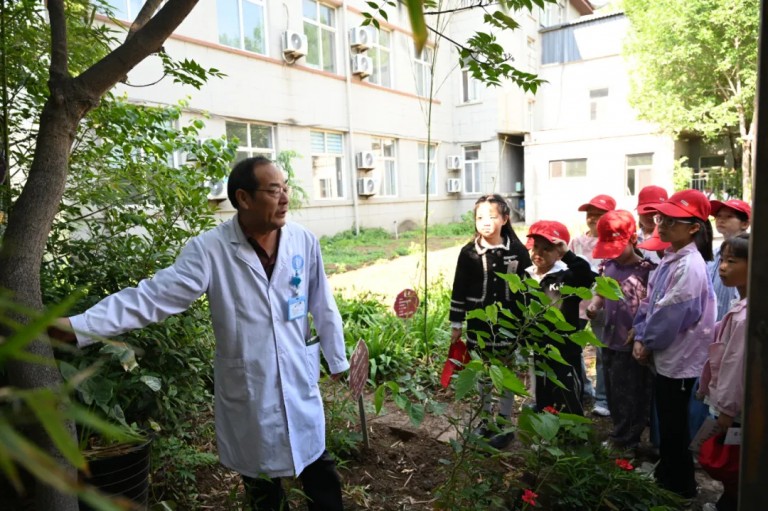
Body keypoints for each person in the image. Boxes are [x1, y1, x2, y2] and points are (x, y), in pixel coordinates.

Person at [50, 156, 349, 511]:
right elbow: (152, 297)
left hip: (298, 377)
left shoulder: (303, 241)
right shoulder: (210, 250)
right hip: (251, 388)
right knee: (263, 488)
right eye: (274, 190)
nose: (285, 198)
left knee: (320, 472)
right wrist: (79, 327)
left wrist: (337, 359)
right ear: (243, 198)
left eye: (285, 188)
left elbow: (322, 302)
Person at [631, 189, 716, 499]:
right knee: (668, 421)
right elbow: (652, 302)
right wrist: (641, 334)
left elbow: (671, 314)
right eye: (661, 218)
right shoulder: (673, 257)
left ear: (693, 228)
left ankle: (680, 487)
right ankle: (668, 476)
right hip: (669, 355)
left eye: (672, 221)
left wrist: (647, 341)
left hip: (679, 359)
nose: (663, 226)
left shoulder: (689, 265)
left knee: (674, 426)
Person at [449, 194, 532, 449]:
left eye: (492, 216)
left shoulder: (517, 251)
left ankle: (504, 422)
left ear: (505, 219)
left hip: (509, 323)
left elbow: (528, 288)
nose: (486, 222)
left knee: (506, 371)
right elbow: (459, 288)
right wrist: (456, 324)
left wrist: (527, 323)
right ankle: (484, 419)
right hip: (479, 324)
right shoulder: (468, 253)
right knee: (484, 371)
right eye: (480, 217)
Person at [586, 210, 656, 453]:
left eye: (617, 247)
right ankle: (619, 431)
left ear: (633, 239)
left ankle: (628, 439)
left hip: (631, 343)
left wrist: (640, 332)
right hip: (610, 339)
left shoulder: (647, 270)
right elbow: (601, 291)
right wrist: (595, 305)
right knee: (613, 391)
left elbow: (651, 305)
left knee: (631, 393)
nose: (613, 253)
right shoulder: (608, 266)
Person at [697, 233, 749, 511]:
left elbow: (735, 364)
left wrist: (726, 408)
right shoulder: (741, 305)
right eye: (723, 260)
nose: (723, 267)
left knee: (734, 462)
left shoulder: (746, 316)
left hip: (736, 407)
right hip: (734, 403)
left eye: (732, 261)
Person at [525, 220, 596, 415]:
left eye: (547, 248)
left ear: (559, 252)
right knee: (543, 389)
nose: (539, 253)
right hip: (540, 346)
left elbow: (588, 277)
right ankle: (545, 422)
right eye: (536, 247)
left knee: (567, 390)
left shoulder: (567, 276)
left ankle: (571, 427)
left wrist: (568, 255)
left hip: (565, 348)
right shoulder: (528, 276)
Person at [568, 194, 616, 417]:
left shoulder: (613, 244)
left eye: (599, 214)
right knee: (572, 348)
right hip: (577, 305)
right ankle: (584, 388)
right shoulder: (577, 242)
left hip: (602, 306)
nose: (593, 218)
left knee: (602, 352)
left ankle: (603, 399)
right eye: (590, 214)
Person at [708, 199, 750, 321]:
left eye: (729, 216)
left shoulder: (752, 255)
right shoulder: (714, 254)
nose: (721, 220)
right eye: (718, 216)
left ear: (745, 224)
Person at [635, 185, 669, 263]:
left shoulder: (671, 240)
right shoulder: (632, 238)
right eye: (646, 212)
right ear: (638, 213)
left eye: (655, 212)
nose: (650, 217)